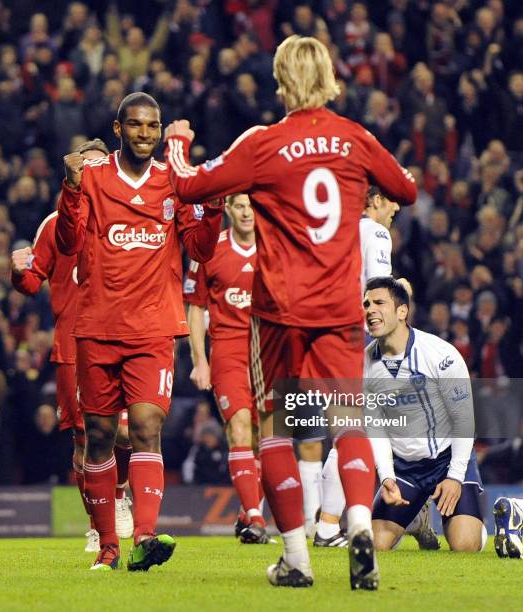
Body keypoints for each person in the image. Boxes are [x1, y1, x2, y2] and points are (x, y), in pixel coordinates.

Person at [164, 35, 417, 589]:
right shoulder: (356, 138)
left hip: (279, 309)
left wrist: (178, 142)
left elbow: (187, 185)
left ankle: (297, 559)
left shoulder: (263, 143)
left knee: (277, 425)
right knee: (349, 418)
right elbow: (407, 188)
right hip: (336, 307)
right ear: (329, 77)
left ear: (281, 82)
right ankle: (356, 526)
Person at [55, 92, 223, 572]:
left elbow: (199, 249)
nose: (145, 133)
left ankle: (145, 537)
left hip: (152, 329)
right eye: (135, 125)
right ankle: (107, 546)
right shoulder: (91, 178)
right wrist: (69, 190)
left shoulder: (174, 182)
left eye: (152, 126)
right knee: (102, 435)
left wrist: (211, 212)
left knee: (148, 426)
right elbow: (67, 242)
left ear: (160, 129)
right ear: (118, 128)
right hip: (97, 327)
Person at [11, 138, 134, 554]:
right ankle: (99, 524)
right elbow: (31, 283)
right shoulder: (54, 223)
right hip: (72, 343)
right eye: (87, 168)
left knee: (127, 431)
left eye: (102, 167)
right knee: (84, 439)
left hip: (121, 336)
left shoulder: (129, 216)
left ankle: (119, 499)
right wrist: (18, 270)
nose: (94, 175)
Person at [315, 187, 439, 551]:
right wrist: (403, 289)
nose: (397, 207)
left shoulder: (337, 229)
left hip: (323, 339)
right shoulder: (375, 232)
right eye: (391, 199)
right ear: (374, 200)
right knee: (356, 431)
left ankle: (327, 524)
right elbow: (378, 291)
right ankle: (327, 526)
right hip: (351, 341)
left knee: (347, 431)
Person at [363, 277, 486, 553]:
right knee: (376, 545)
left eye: (379, 303)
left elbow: (464, 419)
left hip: (447, 459)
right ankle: (417, 518)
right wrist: (386, 477)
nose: (370, 309)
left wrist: (455, 475)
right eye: (366, 304)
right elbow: (377, 428)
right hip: (405, 468)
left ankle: (504, 516)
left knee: (464, 547)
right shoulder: (364, 366)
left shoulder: (441, 354)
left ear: (402, 311)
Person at [183, 193, 270, 543]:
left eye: (252, 206)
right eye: (239, 206)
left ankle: (246, 508)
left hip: (269, 354)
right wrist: (199, 360)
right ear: (229, 210)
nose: (247, 213)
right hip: (228, 353)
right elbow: (194, 307)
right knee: (238, 430)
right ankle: (255, 518)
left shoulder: (276, 246)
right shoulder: (208, 250)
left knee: (267, 440)